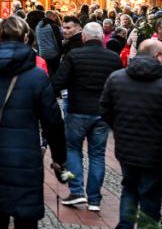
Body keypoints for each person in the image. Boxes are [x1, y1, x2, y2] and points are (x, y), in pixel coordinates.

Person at [0, 16, 67, 229]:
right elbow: (53, 122)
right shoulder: (37, 76)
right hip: (26, 157)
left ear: (1, 35)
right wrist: (60, 158)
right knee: (26, 219)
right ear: (26, 37)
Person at [101, 39, 162, 228]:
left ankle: (125, 225)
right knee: (151, 195)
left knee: (129, 189)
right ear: (157, 56)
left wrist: (120, 129)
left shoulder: (116, 78)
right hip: (158, 151)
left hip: (126, 148)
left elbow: (105, 110)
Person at [51, 22, 122, 211]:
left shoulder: (75, 55)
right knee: (97, 155)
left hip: (78, 110)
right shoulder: (113, 58)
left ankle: (76, 192)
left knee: (73, 150)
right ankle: (94, 199)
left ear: (84, 37)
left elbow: (58, 81)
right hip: (102, 113)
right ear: (101, 37)